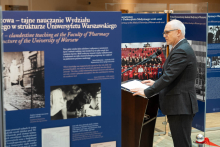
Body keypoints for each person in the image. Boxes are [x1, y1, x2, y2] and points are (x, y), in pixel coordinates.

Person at [131, 20, 198, 147]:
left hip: (181, 106)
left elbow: (168, 77)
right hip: (179, 105)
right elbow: (171, 75)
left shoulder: (182, 50)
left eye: (167, 32)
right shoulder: (179, 48)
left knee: (182, 143)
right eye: (164, 32)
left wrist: (146, 92)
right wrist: (155, 82)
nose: (164, 35)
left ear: (178, 32)